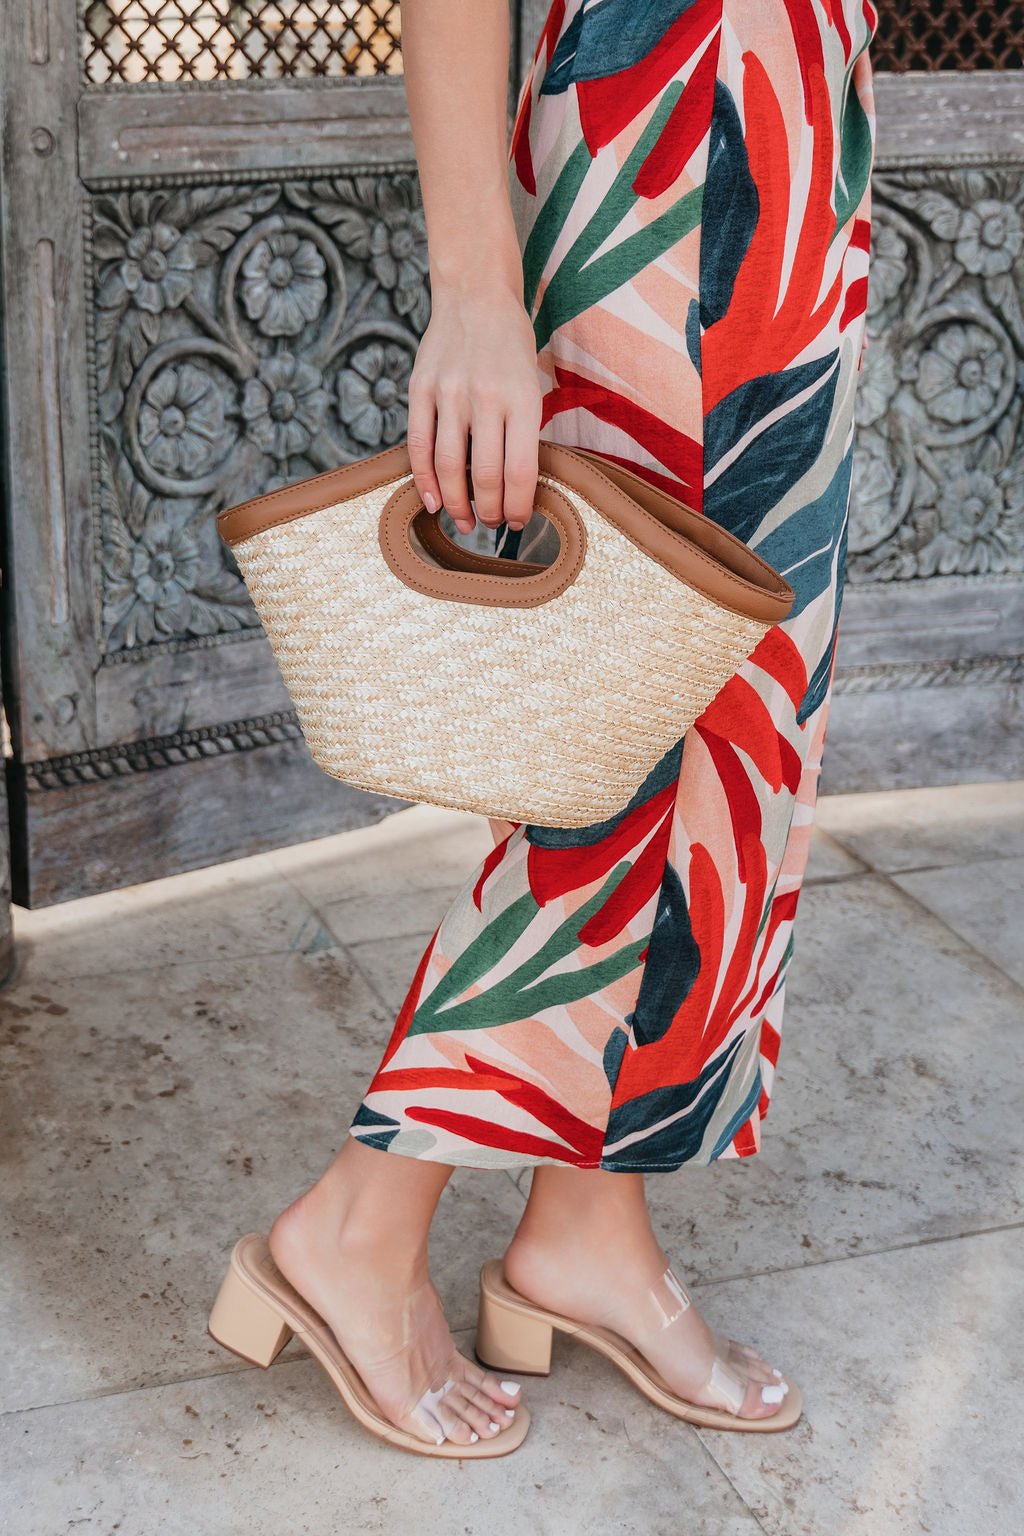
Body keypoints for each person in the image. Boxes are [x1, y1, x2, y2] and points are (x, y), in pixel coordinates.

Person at [210, 0, 878, 1456]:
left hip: (796, 126)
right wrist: (473, 288)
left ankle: (589, 1224)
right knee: (633, 728)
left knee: (738, 736)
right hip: (680, 122)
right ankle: (361, 1222)